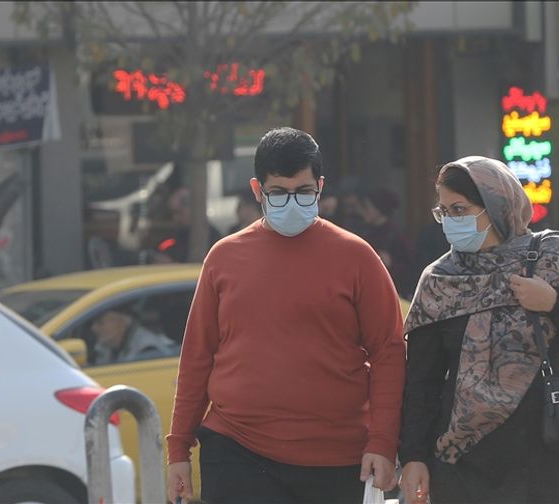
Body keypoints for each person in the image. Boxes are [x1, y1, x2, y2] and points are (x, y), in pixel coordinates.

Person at [167, 127, 406, 504]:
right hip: (236, 448)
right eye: (278, 192)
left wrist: (383, 441)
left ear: (321, 187)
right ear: (257, 190)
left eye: (304, 191)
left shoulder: (357, 258)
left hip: (336, 459)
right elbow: (197, 356)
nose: (292, 202)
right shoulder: (224, 258)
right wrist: (178, 448)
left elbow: (389, 352)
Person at [398, 156, 559, 504]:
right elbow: (422, 381)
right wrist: (414, 456)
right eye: (443, 212)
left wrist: (554, 302)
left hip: (552, 458)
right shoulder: (439, 281)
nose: (450, 221)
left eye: (460, 209)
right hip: (466, 464)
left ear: (496, 206)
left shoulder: (553, 257)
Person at [358, 187, 416, 299]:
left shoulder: (398, 236)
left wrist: (391, 264)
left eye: (367, 207)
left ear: (378, 210)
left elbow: (412, 271)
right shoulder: (368, 234)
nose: (363, 211)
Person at [149, 186, 223, 263]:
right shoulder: (176, 237)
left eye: (178, 212)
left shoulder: (213, 237)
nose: (175, 218)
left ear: (191, 208)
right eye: (173, 214)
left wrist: (172, 265)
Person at [90, 307, 178, 365]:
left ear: (120, 322)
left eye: (100, 322)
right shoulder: (107, 347)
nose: (94, 328)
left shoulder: (146, 349)